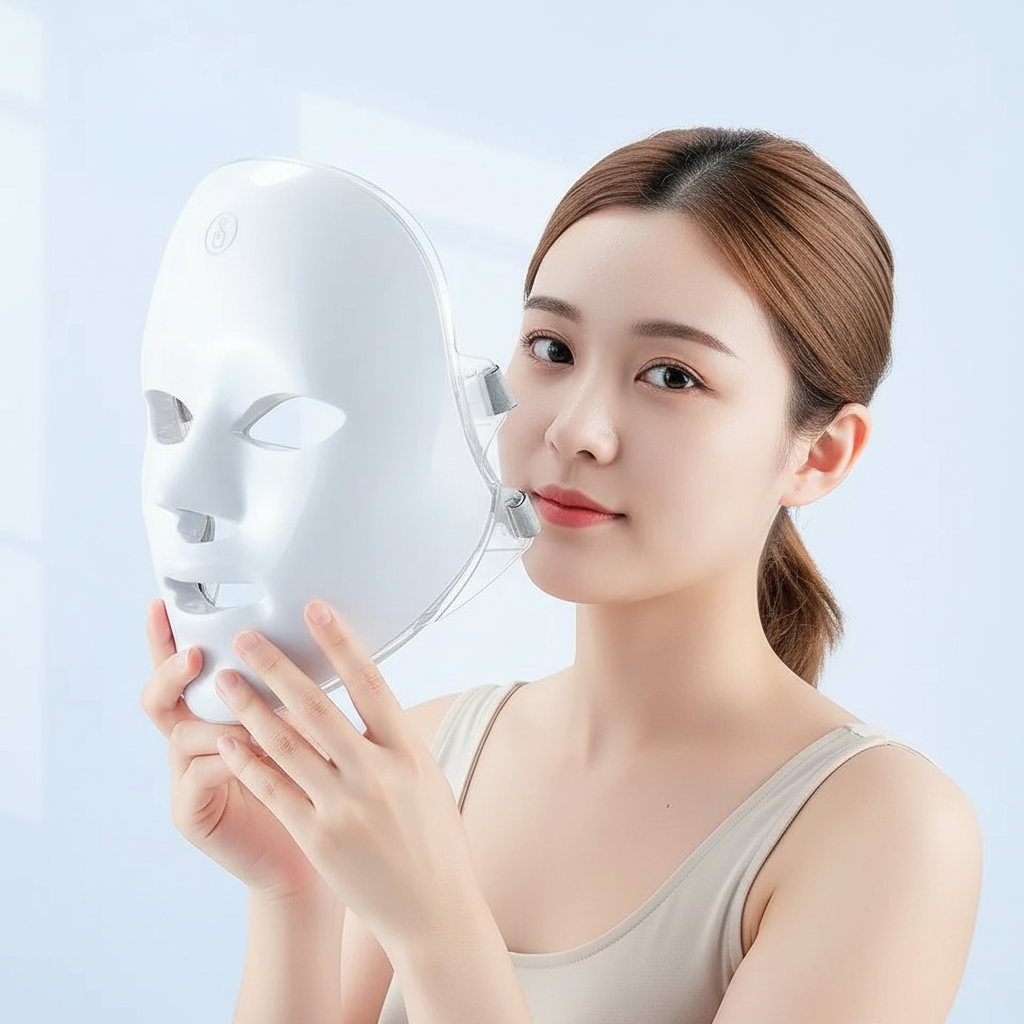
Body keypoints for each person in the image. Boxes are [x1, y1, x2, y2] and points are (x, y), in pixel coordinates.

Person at [141, 128, 982, 1024]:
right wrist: (294, 895)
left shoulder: (885, 830)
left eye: (671, 374)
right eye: (551, 350)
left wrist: (436, 929)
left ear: (821, 456)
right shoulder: (424, 757)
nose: (577, 429)